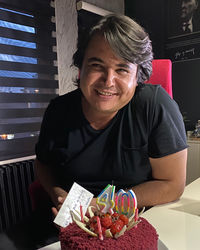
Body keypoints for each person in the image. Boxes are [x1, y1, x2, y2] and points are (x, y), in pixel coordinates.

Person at [35, 14, 188, 217]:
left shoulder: (154, 105)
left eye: (122, 69)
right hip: (71, 220)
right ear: (81, 68)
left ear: (138, 76)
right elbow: (43, 164)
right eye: (96, 66)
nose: (108, 81)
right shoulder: (58, 110)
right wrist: (58, 194)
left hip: (136, 220)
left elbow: (172, 184)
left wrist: (101, 205)